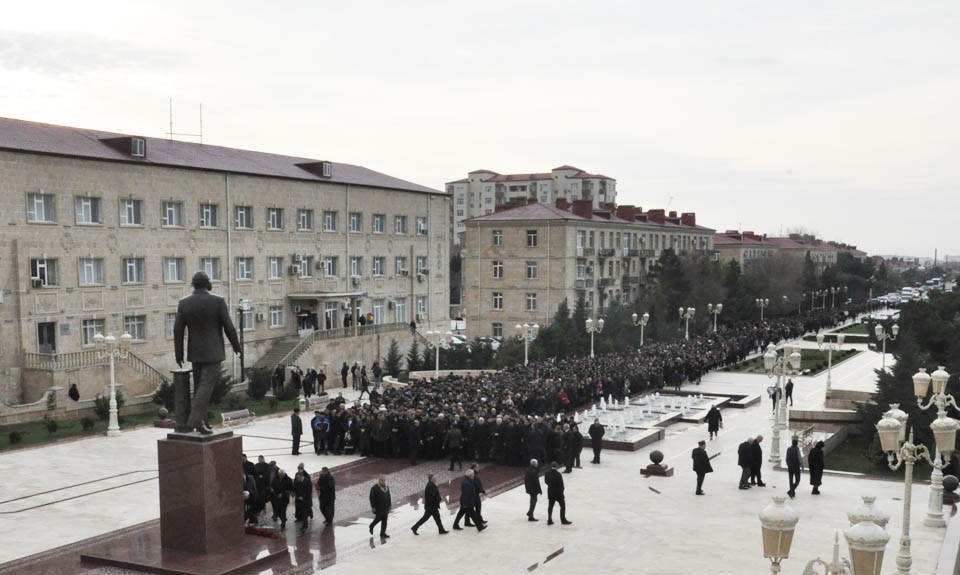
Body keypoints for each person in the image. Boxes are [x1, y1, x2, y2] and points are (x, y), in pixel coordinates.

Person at [173, 271, 242, 434]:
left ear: (193, 284)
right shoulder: (217, 302)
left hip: (195, 351)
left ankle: (202, 423)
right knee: (205, 386)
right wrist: (237, 346)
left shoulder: (184, 303)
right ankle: (194, 420)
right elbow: (229, 327)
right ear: (207, 283)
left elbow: (177, 330)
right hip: (213, 351)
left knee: (199, 387)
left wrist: (178, 353)